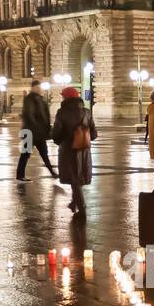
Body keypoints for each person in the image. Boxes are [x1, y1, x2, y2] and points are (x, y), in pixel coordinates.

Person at [51, 86, 97, 216]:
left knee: (74, 178)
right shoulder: (87, 112)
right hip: (84, 150)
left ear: (66, 98)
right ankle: (74, 202)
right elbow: (94, 134)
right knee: (78, 177)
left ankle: (82, 208)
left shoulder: (62, 112)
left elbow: (57, 133)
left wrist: (57, 139)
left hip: (68, 150)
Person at [17, 80, 54, 180]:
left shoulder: (42, 100)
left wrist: (47, 128)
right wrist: (38, 127)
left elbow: (45, 116)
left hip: (39, 133)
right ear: (32, 88)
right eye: (37, 87)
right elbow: (29, 114)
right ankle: (20, 175)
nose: (39, 89)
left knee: (44, 154)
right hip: (30, 132)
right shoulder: (29, 99)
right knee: (25, 154)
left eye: (39, 87)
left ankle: (52, 172)